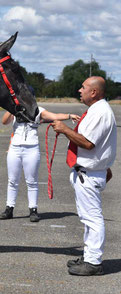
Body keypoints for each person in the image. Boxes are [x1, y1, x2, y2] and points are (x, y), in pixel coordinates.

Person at [51, 76, 116, 276]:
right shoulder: (98, 110)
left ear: (94, 92)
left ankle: (94, 263)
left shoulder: (100, 112)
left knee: (93, 219)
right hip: (88, 173)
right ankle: (89, 256)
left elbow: (88, 143)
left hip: (89, 174)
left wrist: (64, 129)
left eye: (83, 87)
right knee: (88, 219)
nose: (80, 90)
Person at [0, 107, 80, 222]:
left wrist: (69, 115)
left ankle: (33, 210)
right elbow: (4, 121)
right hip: (15, 148)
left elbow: (54, 116)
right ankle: (9, 208)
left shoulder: (37, 110)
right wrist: (11, 107)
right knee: (12, 180)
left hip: (31, 149)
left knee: (32, 181)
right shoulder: (15, 109)